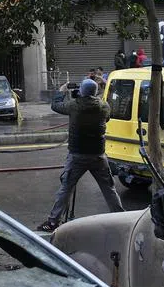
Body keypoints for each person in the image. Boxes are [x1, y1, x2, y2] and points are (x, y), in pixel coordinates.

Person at [36, 78, 123, 233]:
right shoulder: (104, 106)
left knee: (66, 188)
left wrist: (62, 90)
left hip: (77, 156)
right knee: (109, 188)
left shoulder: (74, 105)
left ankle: (53, 222)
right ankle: (121, 218)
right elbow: (107, 117)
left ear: (81, 92)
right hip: (98, 155)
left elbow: (55, 105)